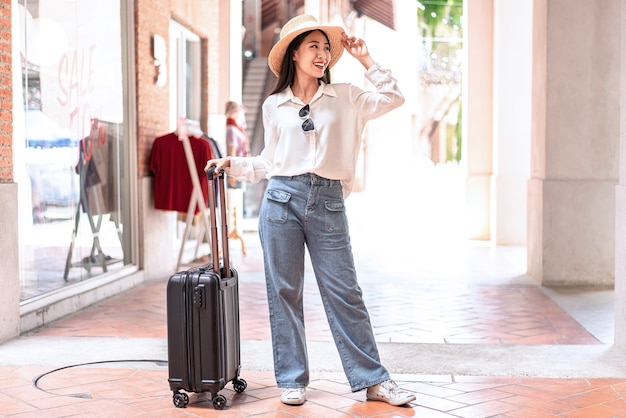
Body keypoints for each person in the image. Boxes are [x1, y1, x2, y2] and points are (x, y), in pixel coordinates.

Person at [206, 14, 416, 407]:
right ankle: (291, 378)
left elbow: (394, 97)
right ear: (295, 54)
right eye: (314, 47)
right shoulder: (274, 105)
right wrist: (233, 163)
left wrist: (367, 60)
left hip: (329, 200)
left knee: (345, 292)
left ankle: (374, 380)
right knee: (284, 292)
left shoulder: (348, 96)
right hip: (281, 201)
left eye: (325, 48)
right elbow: (272, 161)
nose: (322, 55)